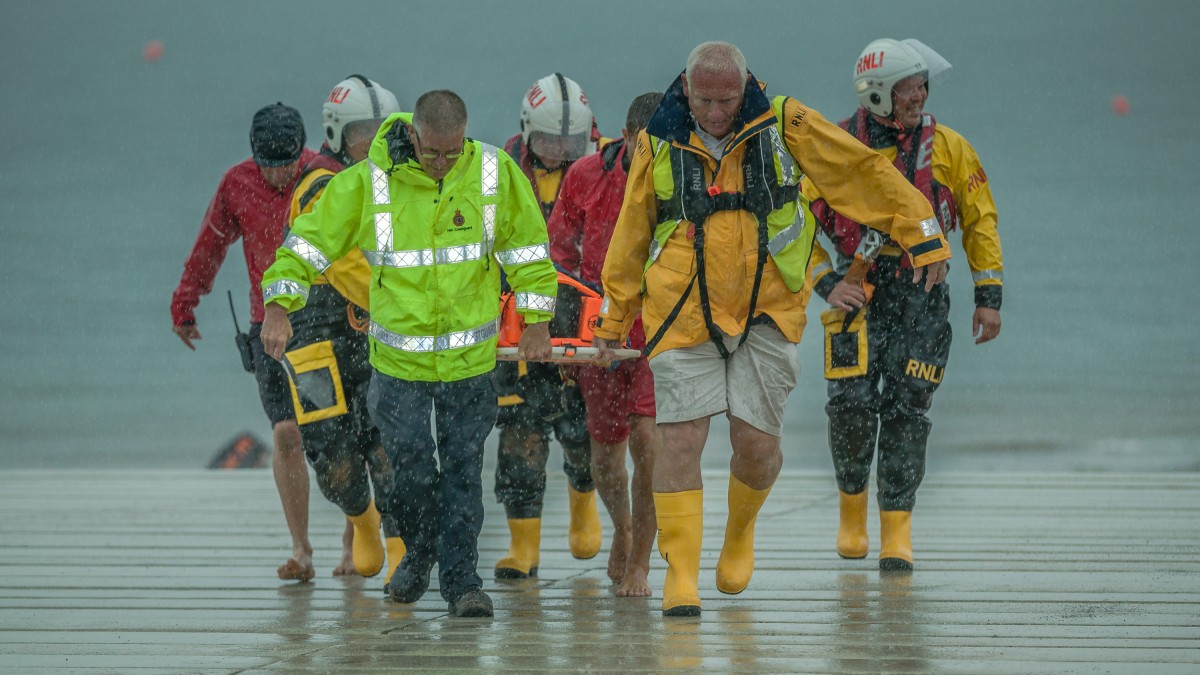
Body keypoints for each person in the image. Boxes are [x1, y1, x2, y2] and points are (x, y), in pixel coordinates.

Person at [593, 41, 951, 617]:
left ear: (745, 88)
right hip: (682, 309)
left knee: (757, 448)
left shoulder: (786, 121)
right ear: (687, 90)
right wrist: (614, 318)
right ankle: (680, 574)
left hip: (769, 306)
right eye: (705, 100)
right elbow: (632, 231)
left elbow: (859, 173)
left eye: (727, 100)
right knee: (680, 439)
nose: (715, 113)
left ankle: (739, 530)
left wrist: (921, 231)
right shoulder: (655, 140)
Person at [259, 90, 559, 618]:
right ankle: (419, 557)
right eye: (432, 153)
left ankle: (464, 583)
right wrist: (280, 306)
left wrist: (536, 321)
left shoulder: (494, 172)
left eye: (452, 152)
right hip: (399, 367)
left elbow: (529, 250)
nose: (442, 164)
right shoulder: (367, 182)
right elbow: (305, 246)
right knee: (412, 473)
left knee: (464, 475)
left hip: (471, 363)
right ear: (413, 135)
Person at [806, 39, 1003, 572]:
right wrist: (825, 284)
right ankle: (851, 508)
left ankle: (897, 527)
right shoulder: (833, 148)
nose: (918, 96)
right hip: (856, 291)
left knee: (908, 409)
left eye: (921, 86)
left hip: (923, 293)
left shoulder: (950, 149)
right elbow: (794, 227)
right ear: (876, 95)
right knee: (848, 405)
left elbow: (979, 219)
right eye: (906, 89)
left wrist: (989, 297)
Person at [170, 102, 321, 582]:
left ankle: (353, 539)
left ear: (302, 151)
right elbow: (211, 243)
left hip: (325, 324)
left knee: (342, 437)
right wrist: (185, 302)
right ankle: (301, 549)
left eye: (288, 165)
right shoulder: (237, 184)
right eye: (269, 166)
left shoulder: (323, 176)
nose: (280, 176)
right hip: (265, 327)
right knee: (285, 433)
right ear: (255, 157)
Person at [280, 75, 409, 581]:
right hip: (316, 332)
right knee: (331, 454)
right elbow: (343, 262)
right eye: (362, 132)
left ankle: (401, 549)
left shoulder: (398, 181)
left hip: (375, 331)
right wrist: (393, 302)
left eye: (381, 130)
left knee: (387, 441)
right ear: (336, 134)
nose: (372, 142)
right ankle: (362, 517)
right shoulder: (318, 185)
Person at [546, 91, 663, 597]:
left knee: (649, 440)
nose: (650, 160)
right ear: (626, 135)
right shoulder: (585, 175)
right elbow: (556, 251)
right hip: (598, 328)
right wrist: (564, 329)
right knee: (605, 452)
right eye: (643, 148)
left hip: (658, 327)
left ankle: (640, 560)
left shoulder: (682, 177)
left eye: (660, 149)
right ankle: (624, 527)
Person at [490, 73, 606, 580]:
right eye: (549, 141)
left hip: (580, 312)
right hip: (518, 321)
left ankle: (584, 502)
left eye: (570, 142)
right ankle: (524, 546)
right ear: (526, 132)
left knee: (582, 432)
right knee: (519, 434)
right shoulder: (497, 171)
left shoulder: (602, 169)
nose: (559, 151)